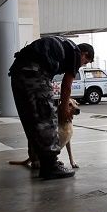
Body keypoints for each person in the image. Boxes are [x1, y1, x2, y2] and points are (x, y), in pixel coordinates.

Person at [9, 36, 94, 180]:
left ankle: (42, 160)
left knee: (31, 118)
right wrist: (63, 108)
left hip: (17, 73)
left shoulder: (63, 46)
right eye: (85, 62)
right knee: (45, 118)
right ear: (84, 54)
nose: (82, 65)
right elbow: (66, 86)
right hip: (34, 72)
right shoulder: (74, 52)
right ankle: (50, 166)